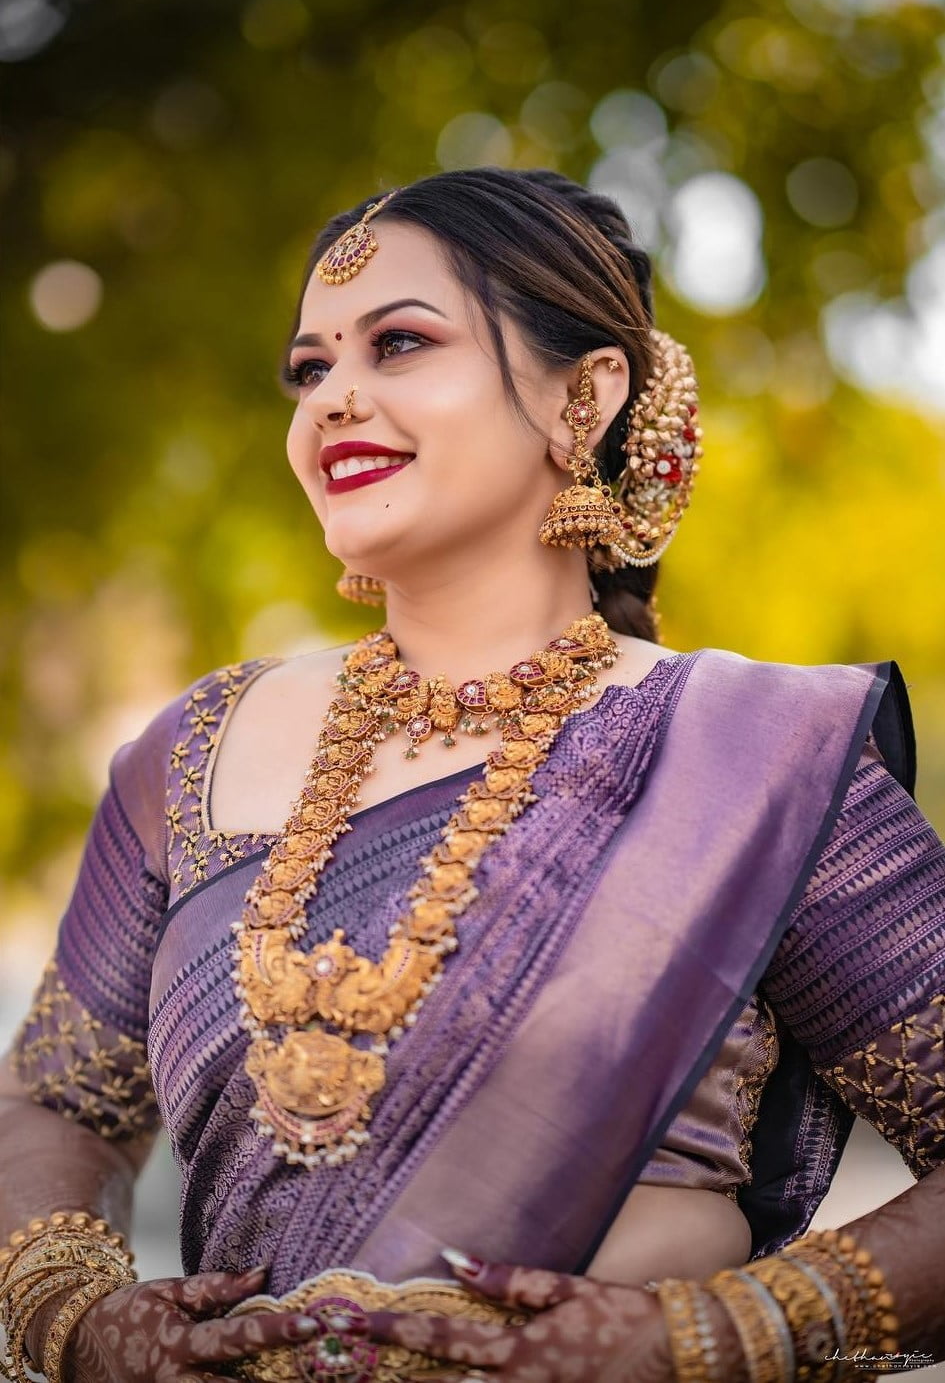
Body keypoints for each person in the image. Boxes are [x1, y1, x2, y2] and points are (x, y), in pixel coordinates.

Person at [1, 167, 943, 1383]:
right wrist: (73, 1312)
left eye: (399, 344)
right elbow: (57, 1101)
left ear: (588, 393)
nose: (335, 397)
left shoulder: (755, 753)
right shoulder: (189, 753)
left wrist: (710, 1333)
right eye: (309, 368)